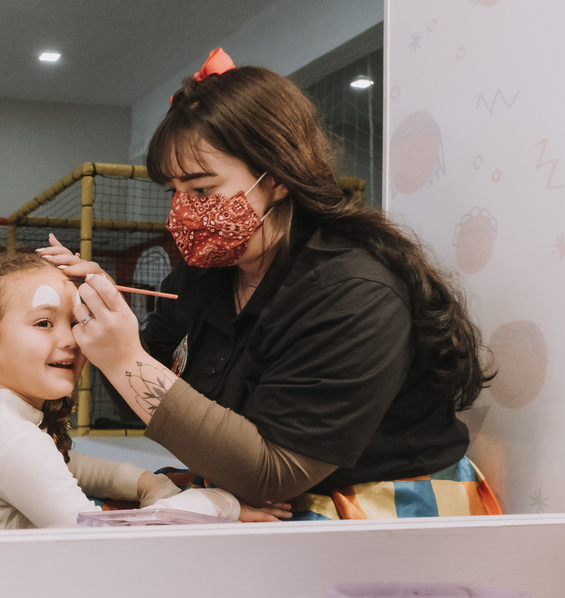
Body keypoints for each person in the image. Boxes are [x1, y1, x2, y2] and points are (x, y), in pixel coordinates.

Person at [42, 49, 499, 521]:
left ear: (277, 178)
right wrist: (103, 319)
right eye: (174, 192)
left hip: (377, 510)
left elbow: (273, 472)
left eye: (202, 190)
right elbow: (138, 395)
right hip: (249, 490)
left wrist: (123, 358)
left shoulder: (355, 293)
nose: (182, 211)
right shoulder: (207, 274)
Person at [0, 251, 291, 530]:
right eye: (44, 323)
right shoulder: (13, 438)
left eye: (75, 321)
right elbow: (104, 541)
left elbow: (67, 466)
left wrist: (145, 481)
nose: (71, 339)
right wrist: (223, 503)